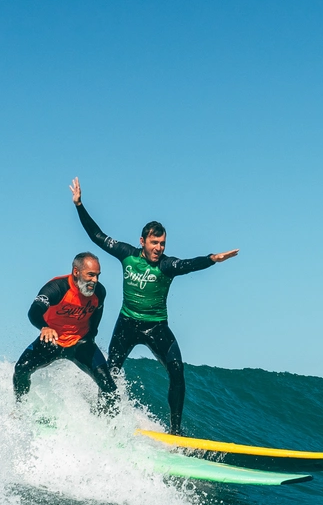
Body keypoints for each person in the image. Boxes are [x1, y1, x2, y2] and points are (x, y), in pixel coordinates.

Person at [70, 177, 238, 435]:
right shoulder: (126, 254)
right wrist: (79, 205)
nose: (159, 248)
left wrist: (212, 259)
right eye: (154, 243)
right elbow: (97, 236)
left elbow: (189, 264)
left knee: (177, 372)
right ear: (142, 241)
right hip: (127, 324)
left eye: (162, 244)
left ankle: (175, 431)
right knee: (111, 374)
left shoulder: (167, 265)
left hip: (156, 327)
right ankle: (102, 419)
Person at [13, 252, 117, 413]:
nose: (95, 281)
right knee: (21, 369)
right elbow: (34, 311)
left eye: (97, 276)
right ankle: (20, 410)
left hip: (80, 343)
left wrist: (91, 335)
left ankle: (107, 423)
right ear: (76, 272)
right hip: (52, 340)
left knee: (109, 387)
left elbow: (97, 312)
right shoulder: (57, 288)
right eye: (90, 275)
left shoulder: (99, 292)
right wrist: (44, 327)